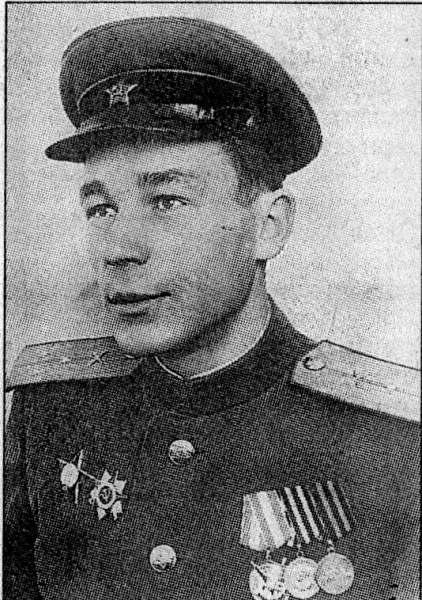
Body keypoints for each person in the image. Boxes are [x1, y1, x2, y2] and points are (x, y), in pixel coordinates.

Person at [4, 16, 419, 600]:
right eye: (101, 209)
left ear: (268, 226)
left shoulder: (390, 442)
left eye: (166, 201)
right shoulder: (52, 412)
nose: (119, 248)